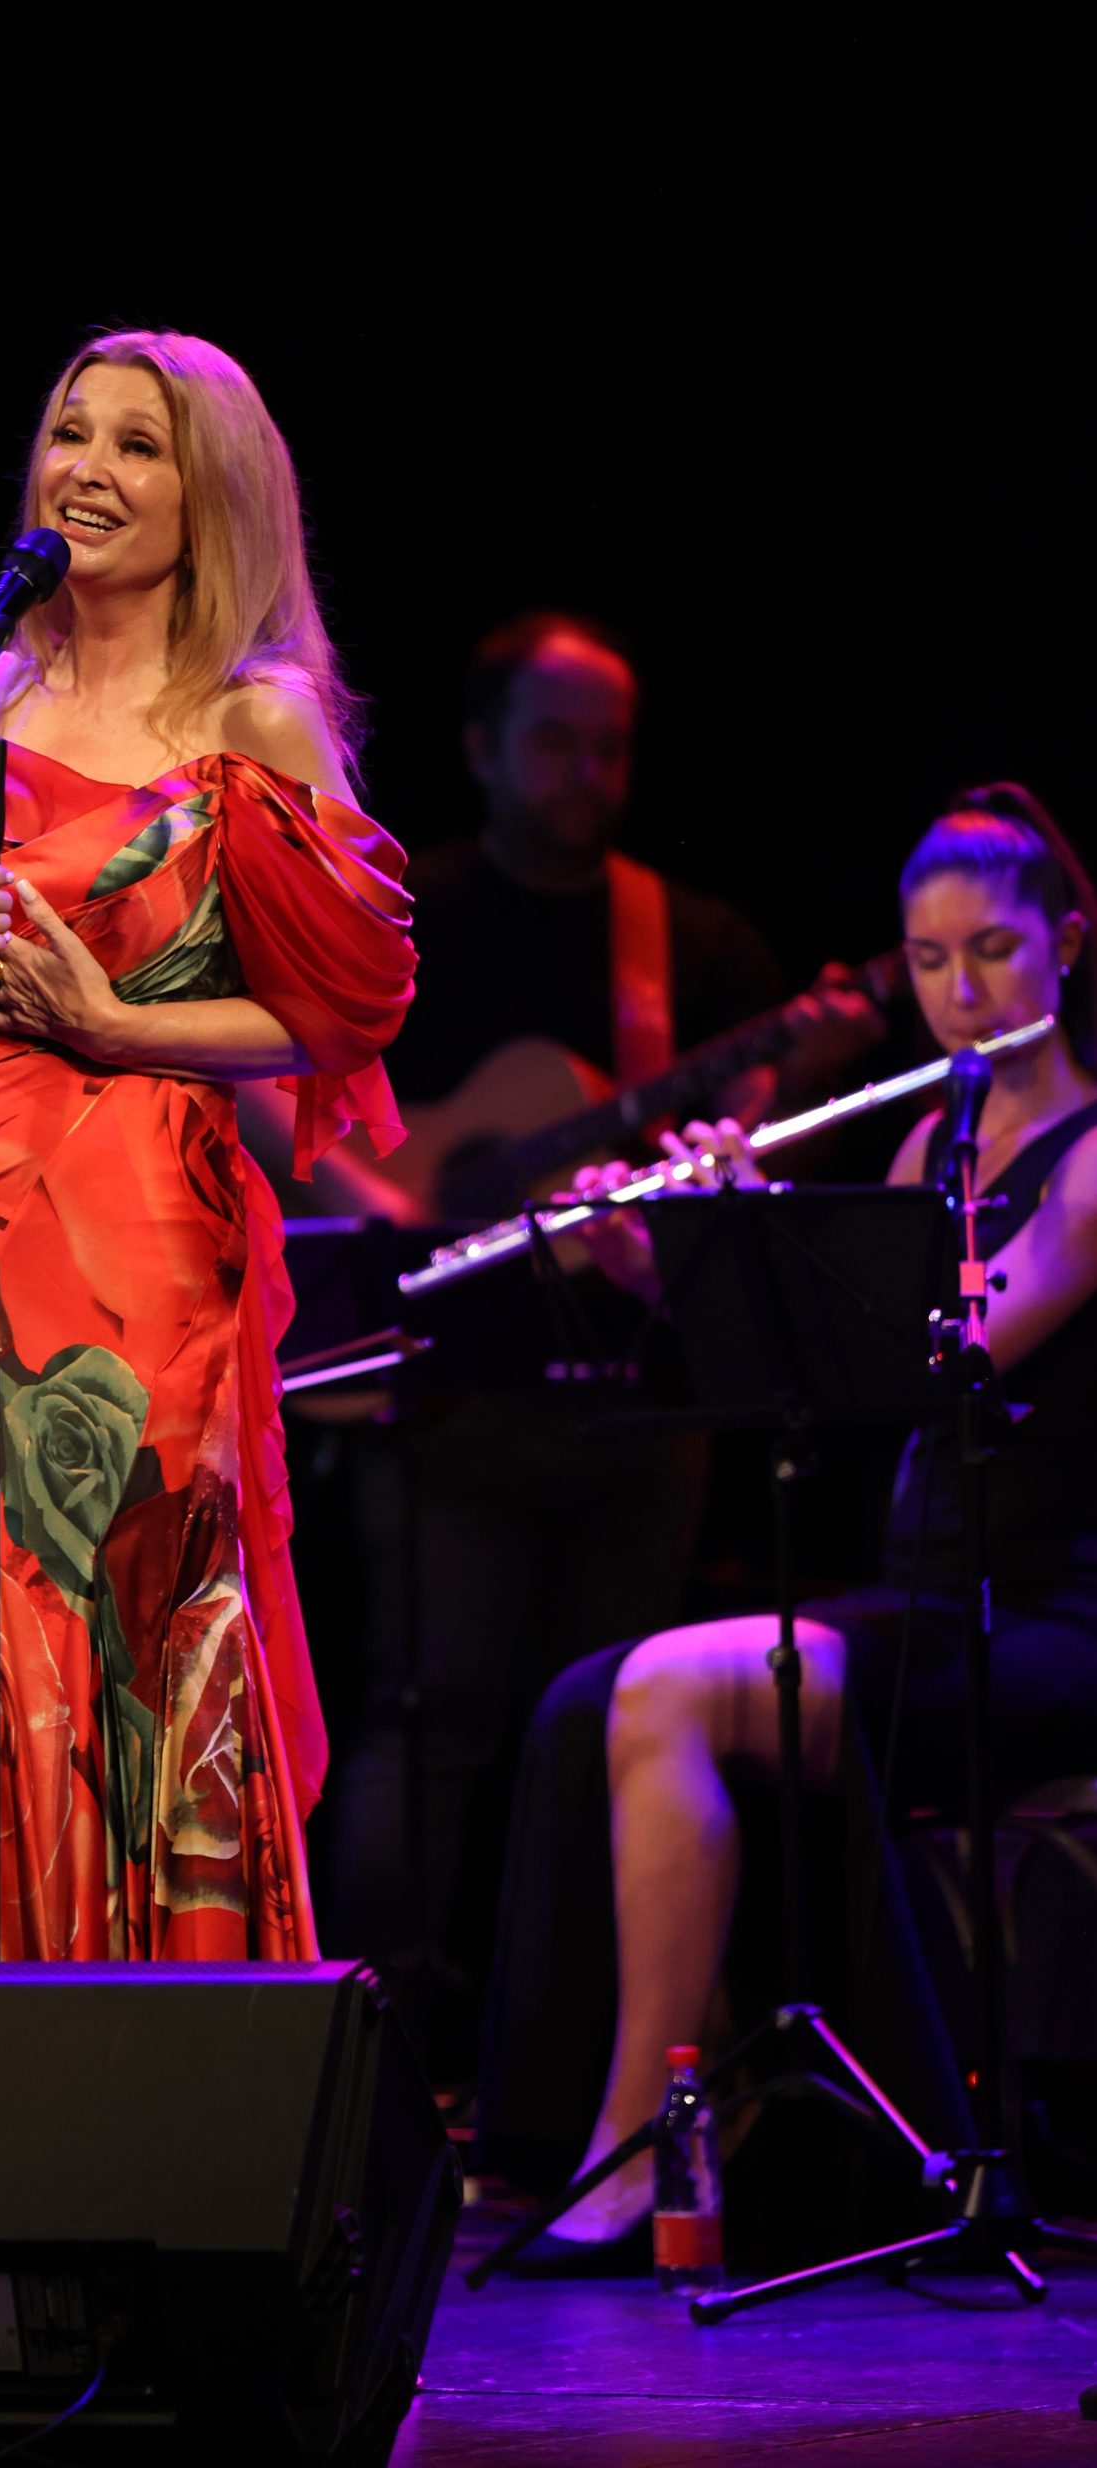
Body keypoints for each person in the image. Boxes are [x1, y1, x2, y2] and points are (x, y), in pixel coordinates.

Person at [0, 329, 416, 1966]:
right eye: (70, 434)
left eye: (138, 444)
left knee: (104, 1618)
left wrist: (118, 1025)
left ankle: (128, 2047)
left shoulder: (248, 723)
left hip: (130, 1239)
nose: (90, 471)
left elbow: (341, 1012)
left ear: (213, 498)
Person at [477, 782, 1097, 2259]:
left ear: (1066, 945)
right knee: (585, 1698)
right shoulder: (927, 1152)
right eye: (929, 959)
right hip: (927, 1604)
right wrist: (677, 1256)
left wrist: (755, 1230)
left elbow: (937, 1358)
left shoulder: (1087, 1161)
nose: (959, 994)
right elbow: (805, 1381)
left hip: (1046, 1623)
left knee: (669, 1686)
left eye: (993, 952)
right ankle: (584, 2140)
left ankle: (644, 2151)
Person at [313, 611, 881, 2066]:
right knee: (423, 1720)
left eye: (610, 746)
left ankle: (575, 2068)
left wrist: (790, 1086)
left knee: (610, 1729)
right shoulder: (408, 909)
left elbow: (741, 1177)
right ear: (481, 747)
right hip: (444, 1402)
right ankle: (361, 2064)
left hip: (640, 1406)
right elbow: (293, 1084)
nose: (586, 772)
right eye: (556, 741)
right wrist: (397, 1216)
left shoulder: (688, 940)